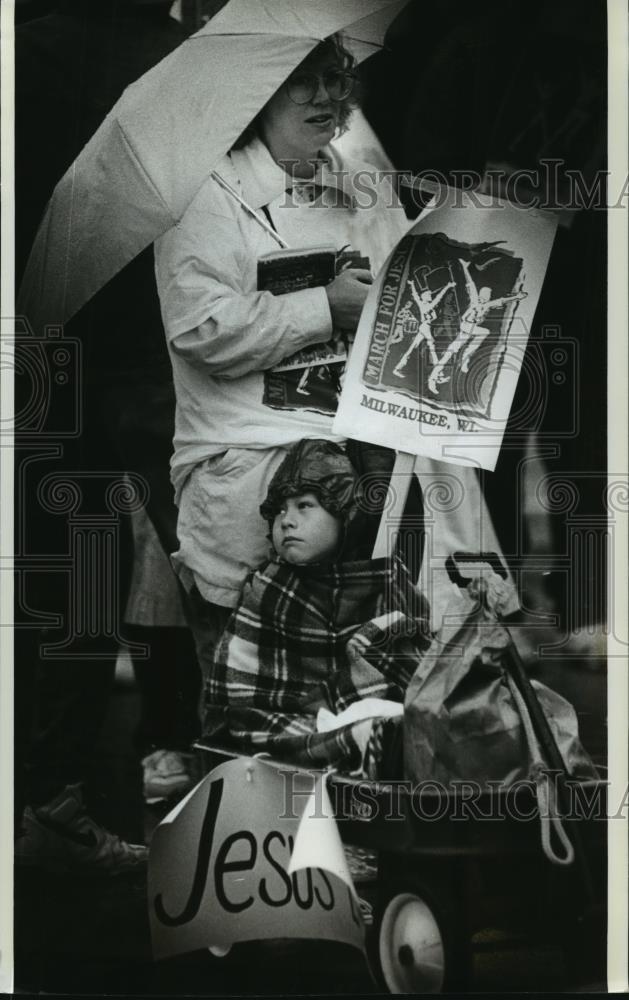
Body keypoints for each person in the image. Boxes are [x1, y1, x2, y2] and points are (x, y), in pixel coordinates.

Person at [154, 33, 414, 674]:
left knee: (347, 686)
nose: (326, 96)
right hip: (246, 475)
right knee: (244, 685)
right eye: (303, 80)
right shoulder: (203, 195)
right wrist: (324, 307)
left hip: (354, 472)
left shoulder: (358, 180)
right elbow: (200, 330)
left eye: (335, 77)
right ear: (255, 93)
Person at [204, 439, 432, 779]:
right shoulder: (268, 588)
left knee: (409, 726)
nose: (287, 521)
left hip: (366, 714)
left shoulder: (386, 582)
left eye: (305, 506)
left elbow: (410, 668)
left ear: (344, 514)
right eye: (281, 509)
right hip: (281, 725)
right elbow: (244, 694)